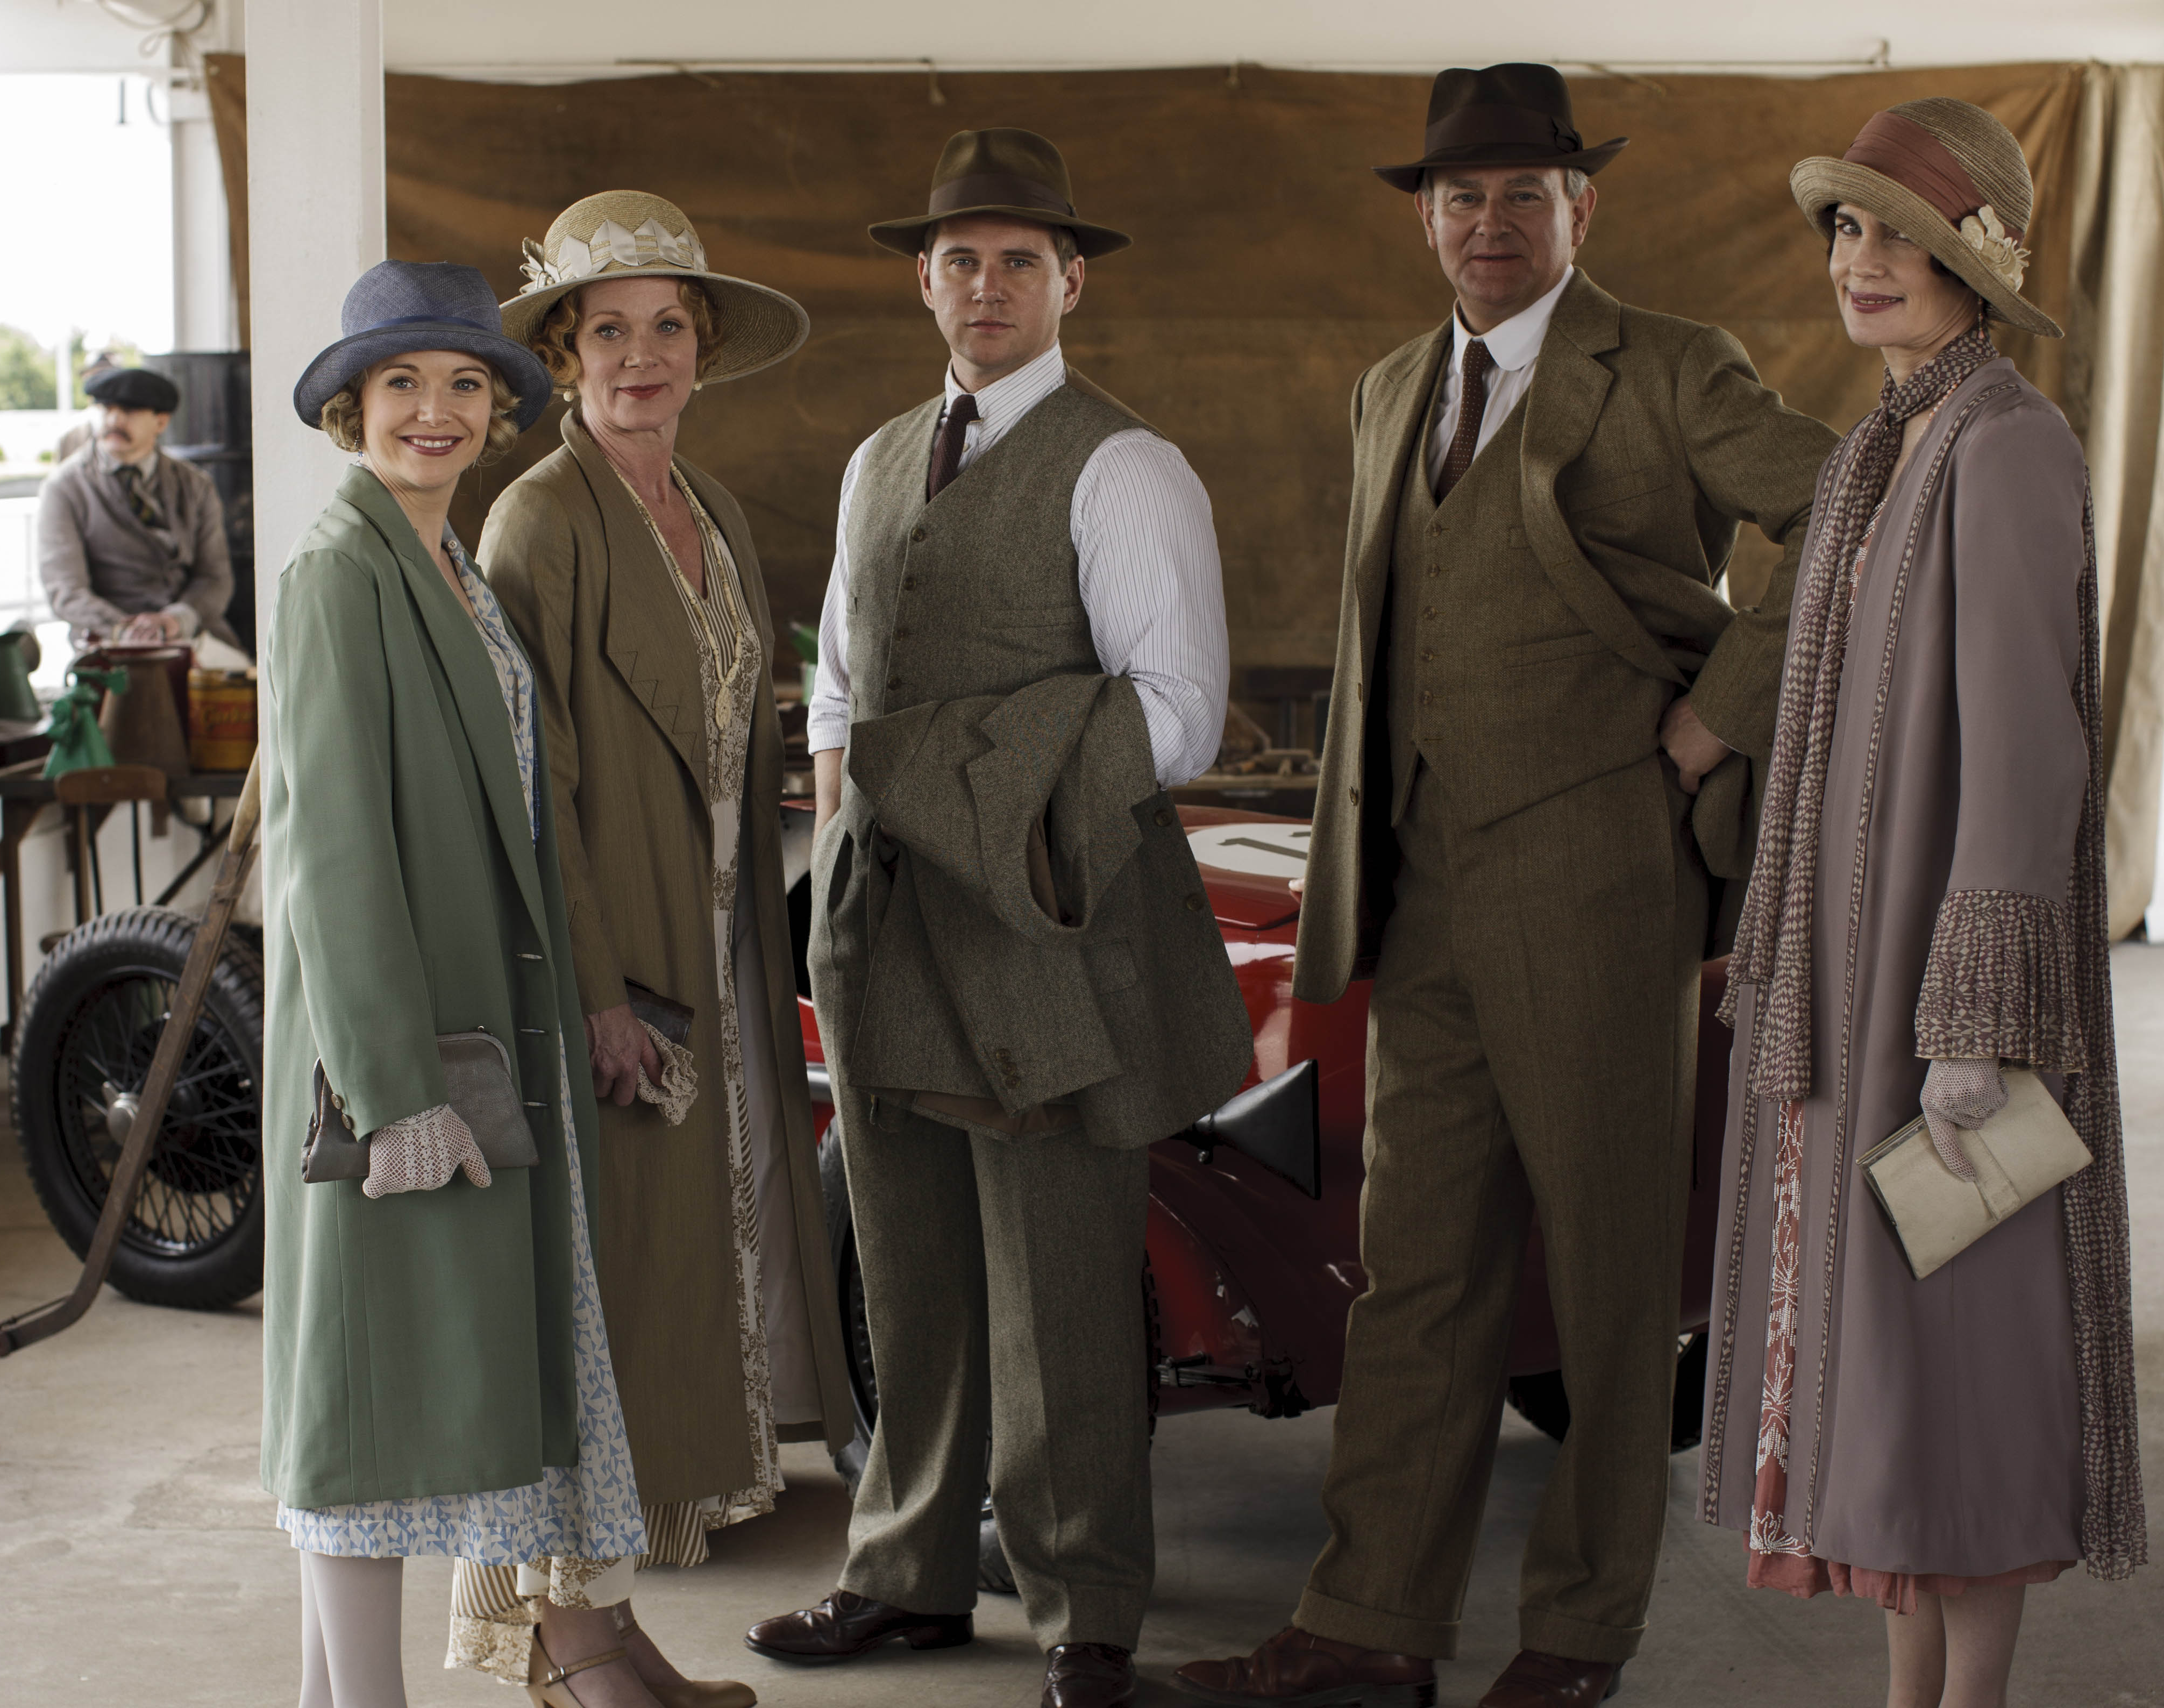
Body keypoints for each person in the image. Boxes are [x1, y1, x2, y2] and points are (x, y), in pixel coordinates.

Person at [1179, 64, 1839, 1708]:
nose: (1487, 223)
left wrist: (1717, 713)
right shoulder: (1390, 386)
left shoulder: (1667, 364)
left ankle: (1578, 1633)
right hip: (1423, 894)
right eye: (1458, 197)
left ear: (1578, 209)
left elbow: (1849, 501)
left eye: (1520, 195)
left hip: (1599, 875)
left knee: (1611, 1280)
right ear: (1425, 219)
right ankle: (1369, 1625)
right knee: (1413, 1273)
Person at [749, 128, 1245, 1708]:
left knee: (1063, 1279)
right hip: (883, 921)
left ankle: (1084, 1611)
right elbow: (842, 677)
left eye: (1018, 259)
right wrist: (847, 828)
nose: (986, 285)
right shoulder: (878, 459)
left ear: (1069, 281)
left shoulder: (1126, 466)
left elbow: (1178, 714)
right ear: (924, 279)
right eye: (959, 258)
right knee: (905, 1264)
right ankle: (905, 1572)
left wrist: (972, 781)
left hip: (1043, 924)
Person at [1700, 98, 2145, 1708]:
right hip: (1850, 976)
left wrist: (1975, 1016)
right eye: (1845, 227)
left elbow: (2028, 747)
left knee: (1959, 1345)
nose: (1860, 258)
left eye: (1898, 230)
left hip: (1939, 985)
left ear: (1976, 261)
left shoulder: (2005, 443)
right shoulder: (1883, 444)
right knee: (1884, 1359)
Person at [466, 188, 848, 1705]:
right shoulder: (538, 520)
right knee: (601, 1296)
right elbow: (528, 786)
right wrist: (594, 991)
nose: (641, 355)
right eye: (607, 329)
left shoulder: (719, 513)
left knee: (679, 1291)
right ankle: (568, 1645)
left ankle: (614, 1628)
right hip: (614, 966)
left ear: (703, 348)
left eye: (667, 326)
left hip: (719, 948)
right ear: (565, 353)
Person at [260, 260, 650, 1708]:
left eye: (465, 384)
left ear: (496, 409)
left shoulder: (445, 566)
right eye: (404, 383)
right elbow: (330, 848)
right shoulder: (336, 572)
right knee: (358, 1408)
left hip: (470, 1032)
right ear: (351, 408)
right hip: (389, 1053)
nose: (436, 409)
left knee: (391, 1393)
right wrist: (392, 1089)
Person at [37, 365, 238, 647]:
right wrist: (128, 631)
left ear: (161, 422)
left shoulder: (195, 485)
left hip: (193, 636)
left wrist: (176, 619)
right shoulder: (64, 487)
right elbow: (66, 591)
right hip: (109, 642)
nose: (114, 420)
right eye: (106, 408)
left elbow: (215, 577)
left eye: (129, 411)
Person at [53, 350, 126, 464]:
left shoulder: (132, 425)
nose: (102, 383)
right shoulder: (73, 430)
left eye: (107, 375)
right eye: (96, 376)